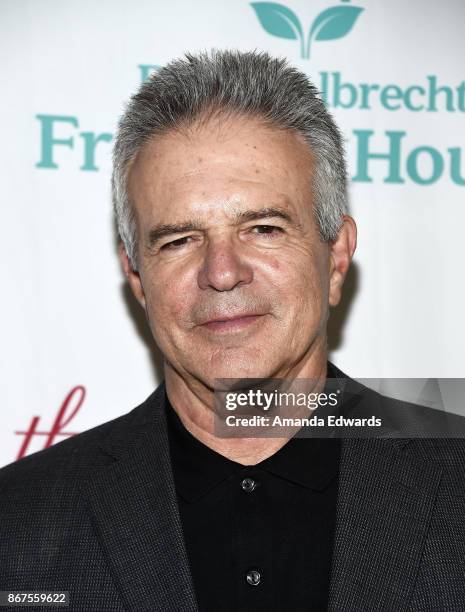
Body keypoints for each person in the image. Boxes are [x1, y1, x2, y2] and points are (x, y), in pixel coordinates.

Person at [1, 49, 464, 612]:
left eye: (263, 228)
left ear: (336, 256)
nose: (221, 273)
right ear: (138, 277)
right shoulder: (18, 522)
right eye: (179, 240)